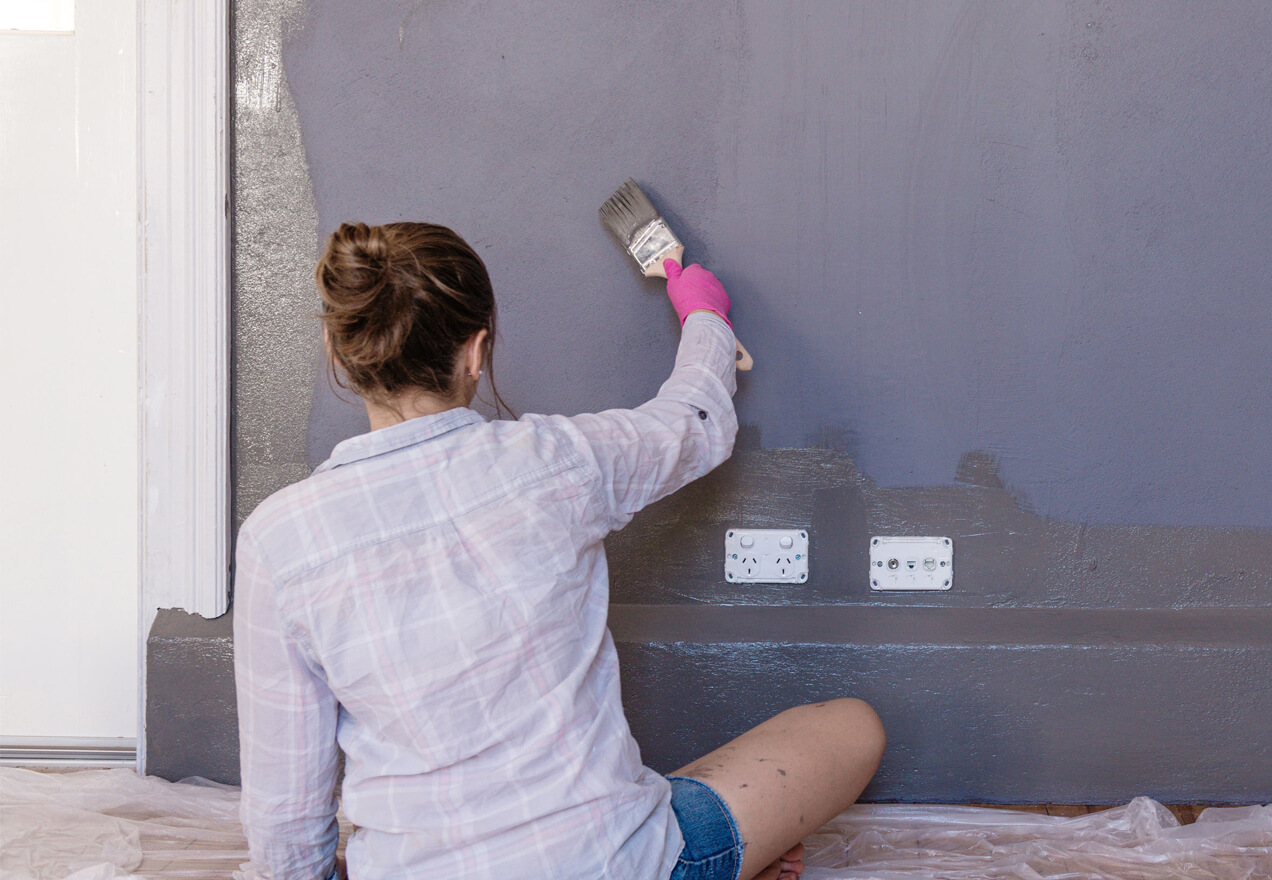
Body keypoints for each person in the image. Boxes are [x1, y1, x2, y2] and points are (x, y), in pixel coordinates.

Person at [233, 222, 885, 880]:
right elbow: (696, 423)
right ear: (477, 351)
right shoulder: (558, 462)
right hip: (617, 863)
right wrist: (707, 315)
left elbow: (286, 828)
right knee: (853, 728)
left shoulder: (278, 542)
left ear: (337, 352)